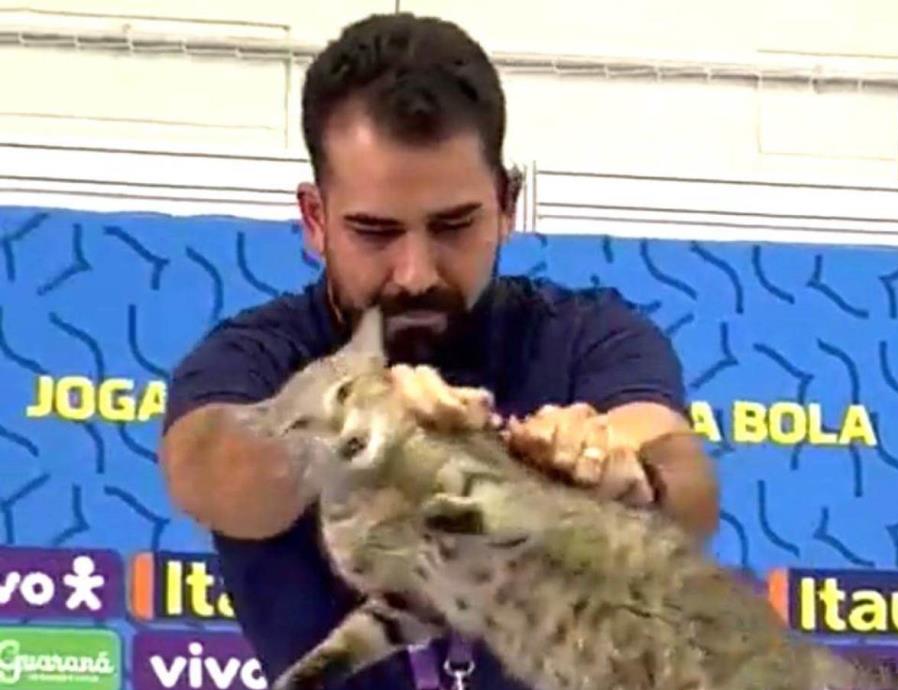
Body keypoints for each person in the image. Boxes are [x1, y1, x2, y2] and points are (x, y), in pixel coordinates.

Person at [158, 11, 718, 690]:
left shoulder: (588, 337)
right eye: (375, 231)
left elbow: (681, 477)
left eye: (453, 225)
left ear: (507, 203)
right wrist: (352, 419)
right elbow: (210, 470)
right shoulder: (255, 355)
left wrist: (624, 474)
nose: (415, 272)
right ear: (315, 219)